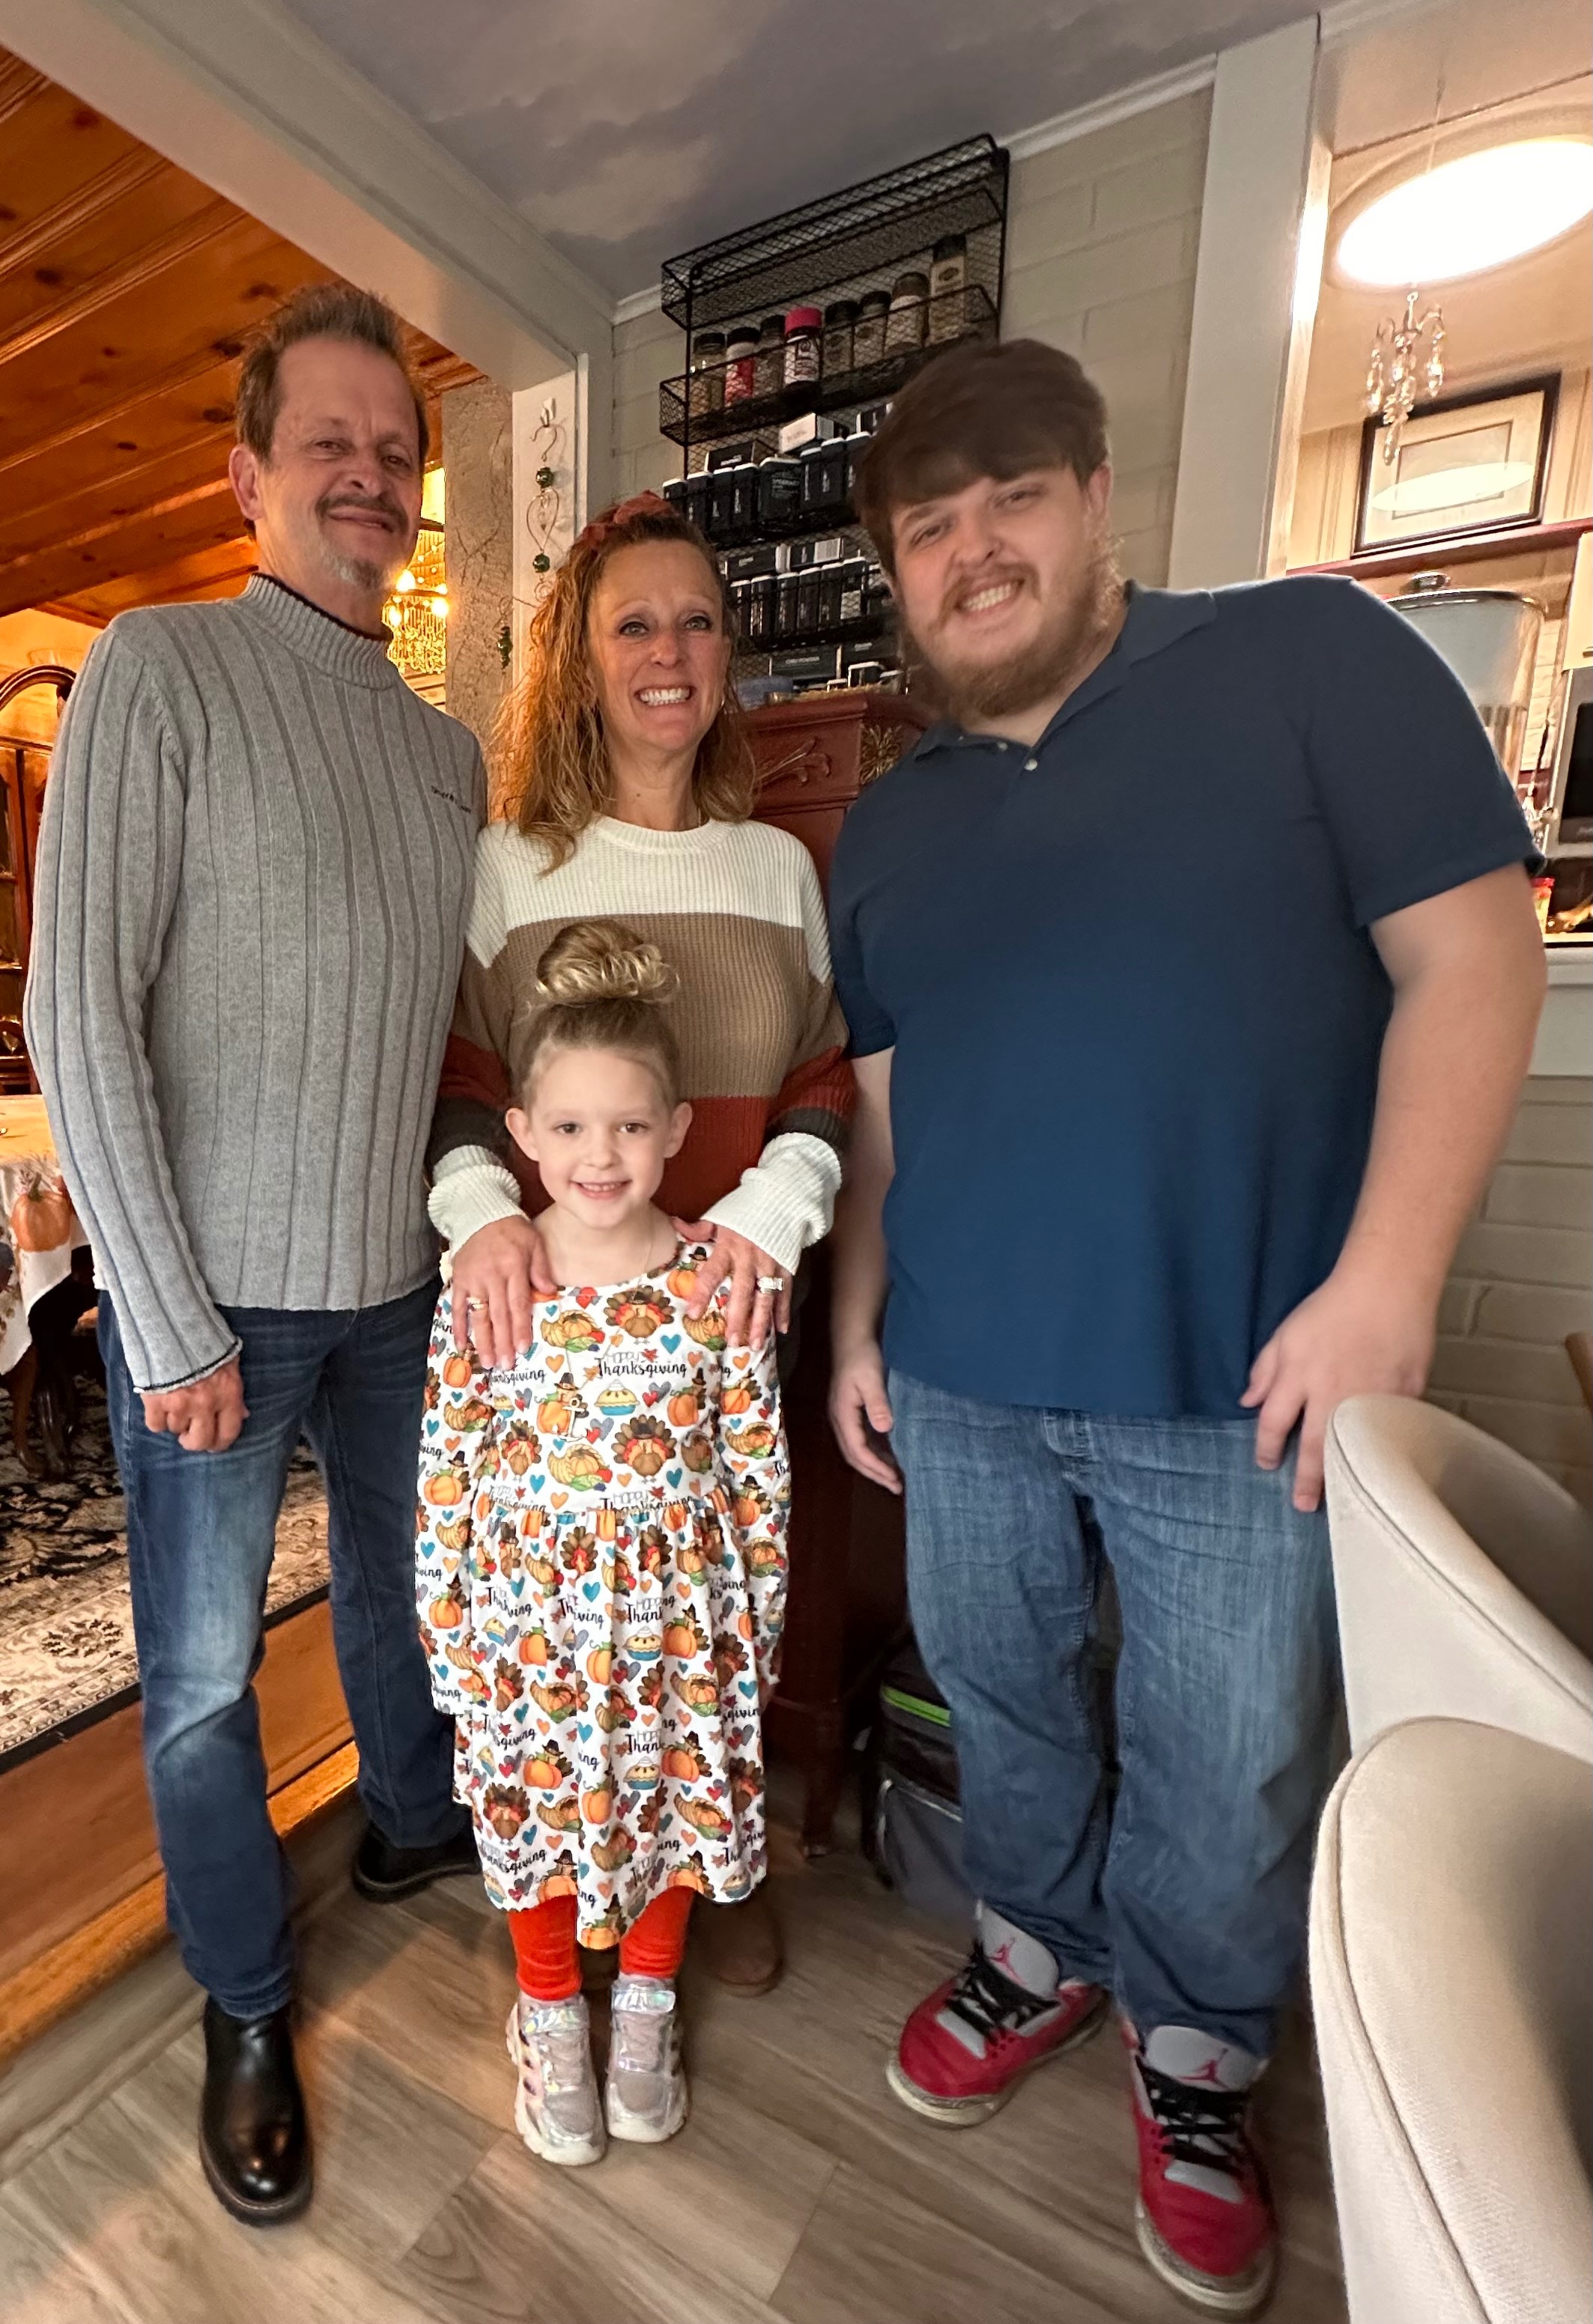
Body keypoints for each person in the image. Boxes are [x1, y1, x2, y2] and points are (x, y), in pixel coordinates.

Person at [825, 337, 1544, 2318]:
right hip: (961, 1373)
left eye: (1012, 500)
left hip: (1242, 1373)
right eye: (930, 528)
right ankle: (1036, 1950)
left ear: (1094, 496)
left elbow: (1475, 955)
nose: (975, 552)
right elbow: (885, 1110)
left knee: (1227, 1750)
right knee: (1003, 1695)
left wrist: (1385, 1281)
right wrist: (859, 1322)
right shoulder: (885, 827)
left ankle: (1202, 2047)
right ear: (895, 573)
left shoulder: (1309, 658)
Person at [24, 285, 488, 2226]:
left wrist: (481, 1234)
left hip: (396, 1291)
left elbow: (446, 1043)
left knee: (403, 1592)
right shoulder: (158, 668)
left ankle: (409, 1822)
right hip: (210, 1304)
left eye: (393, 450)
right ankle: (242, 2004)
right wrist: (160, 1309)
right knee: (206, 1684)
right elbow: (75, 1009)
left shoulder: (450, 756)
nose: (367, 475)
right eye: (330, 444)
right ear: (247, 476)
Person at [426, 489, 852, 1995]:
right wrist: (483, 1218)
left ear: (727, 653)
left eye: (696, 622)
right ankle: (574, 1904)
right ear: (580, 662)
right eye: (633, 625)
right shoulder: (510, 867)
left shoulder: (774, 869)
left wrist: (773, 1209)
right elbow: (462, 1081)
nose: (668, 652)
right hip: (557, 1330)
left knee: (707, 1611)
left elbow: (821, 1079)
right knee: (568, 1638)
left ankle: (694, 1881)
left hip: (722, 1319)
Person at [417, 918, 788, 2162]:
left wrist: (755, 1635)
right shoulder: (489, 1290)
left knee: (672, 1811)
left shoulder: (718, 1284)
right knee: (536, 1819)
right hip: (530, 1635)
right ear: (521, 1132)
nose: (600, 1154)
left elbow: (758, 1472)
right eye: (571, 1126)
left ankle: (644, 2007)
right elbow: (446, 1472)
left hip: (681, 1632)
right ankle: (546, 2011)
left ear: (676, 1129)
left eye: (629, 1125)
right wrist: (451, 1637)